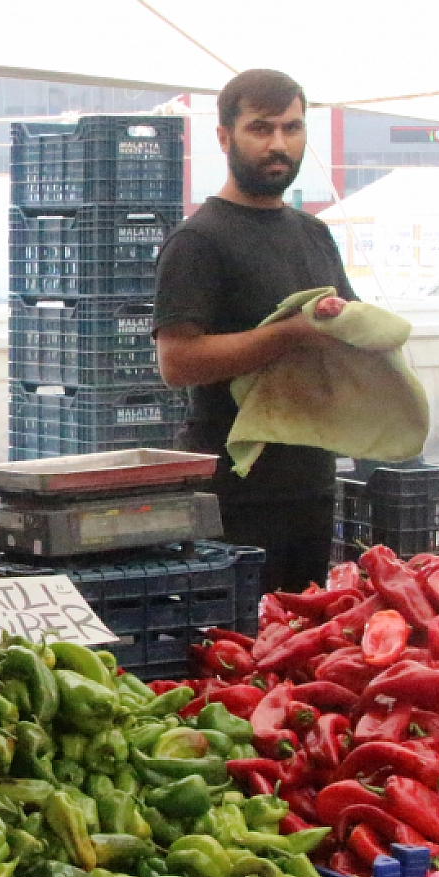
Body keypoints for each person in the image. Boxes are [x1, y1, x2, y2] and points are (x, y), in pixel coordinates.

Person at [152, 69, 355, 593]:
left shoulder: (314, 234)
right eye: (260, 129)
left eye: (292, 128)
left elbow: (346, 333)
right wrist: (287, 335)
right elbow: (177, 362)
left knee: (300, 645)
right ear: (224, 137)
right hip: (230, 491)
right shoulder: (198, 240)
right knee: (237, 650)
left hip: (309, 481)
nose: (278, 145)